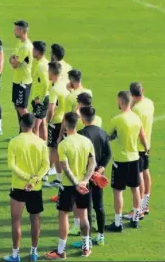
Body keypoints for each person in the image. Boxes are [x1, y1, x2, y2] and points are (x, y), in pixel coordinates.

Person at [45, 112, 96, 259]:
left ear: (65, 124)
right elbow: (92, 163)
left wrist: (75, 184)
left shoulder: (63, 144)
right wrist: (84, 181)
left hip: (68, 186)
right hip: (84, 185)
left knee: (64, 217)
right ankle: (86, 247)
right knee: (83, 216)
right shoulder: (87, 141)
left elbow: (65, 168)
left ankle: (61, 251)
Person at [4, 113, 50, 262]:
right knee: (35, 219)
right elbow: (46, 165)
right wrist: (35, 179)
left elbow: (12, 165)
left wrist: (26, 178)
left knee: (16, 221)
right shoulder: (41, 142)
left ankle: (15, 254)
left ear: (21, 124)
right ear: (32, 125)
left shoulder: (14, 142)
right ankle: (34, 252)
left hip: (19, 186)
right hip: (35, 187)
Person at [105, 91, 149, 231]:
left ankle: (118, 223)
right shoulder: (136, 118)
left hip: (120, 160)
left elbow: (108, 136)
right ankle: (136, 218)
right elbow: (142, 137)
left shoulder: (117, 119)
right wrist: (146, 149)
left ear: (121, 101)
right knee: (135, 189)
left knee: (118, 191)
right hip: (135, 158)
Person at [69, 106, 111, 248]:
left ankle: (87, 241)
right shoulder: (102, 132)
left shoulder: (81, 134)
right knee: (99, 205)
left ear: (82, 117)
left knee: (86, 207)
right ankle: (100, 236)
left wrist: (91, 173)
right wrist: (100, 170)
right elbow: (108, 154)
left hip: (86, 177)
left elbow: (81, 157)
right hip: (99, 176)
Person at [123, 83, 154, 220]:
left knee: (139, 177)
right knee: (146, 173)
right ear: (143, 91)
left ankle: (139, 209)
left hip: (138, 147)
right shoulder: (149, 103)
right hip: (147, 144)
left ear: (131, 94)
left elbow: (136, 131)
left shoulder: (135, 110)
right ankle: (145, 205)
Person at [45, 62, 69, 189]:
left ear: (53, 73)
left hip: (56, 122)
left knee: (54, 150)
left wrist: (48, 120)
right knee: (60, 150)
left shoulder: (54, 89)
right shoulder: (65, 86)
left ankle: (58, 179)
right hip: (65, 121)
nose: (47, 73)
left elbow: (51, 108)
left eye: (48, 71)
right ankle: (60, 178)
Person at [57, 69, 92, 143]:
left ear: (71, 80)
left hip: (76, 130)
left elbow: (66, 118)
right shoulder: (89, 92)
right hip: (88, 127)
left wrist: (59, 136)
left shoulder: (69, 97)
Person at [9, 20, 33, 128]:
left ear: (22, 31)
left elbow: (14, 64)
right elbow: (12, 58)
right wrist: (13, 59)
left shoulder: (26, 47)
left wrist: (13, 59)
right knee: (17, 106)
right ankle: (22, 131)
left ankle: (29, 131)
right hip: (17, 80)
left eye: (16, 30)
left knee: (22, 108)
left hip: (23, 81)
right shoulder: (20, 43)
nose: (14, 31)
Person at [30, 41, 49, 141]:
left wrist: (40, 99)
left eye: (33, 49)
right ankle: (44, 147)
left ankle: (36, 149)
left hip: (40, 100)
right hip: (41, 98)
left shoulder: (41, 66)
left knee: (35, 127)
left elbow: (46, 83)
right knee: (42, 125)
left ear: (37, 51)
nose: (32, 51)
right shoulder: (42, 62)